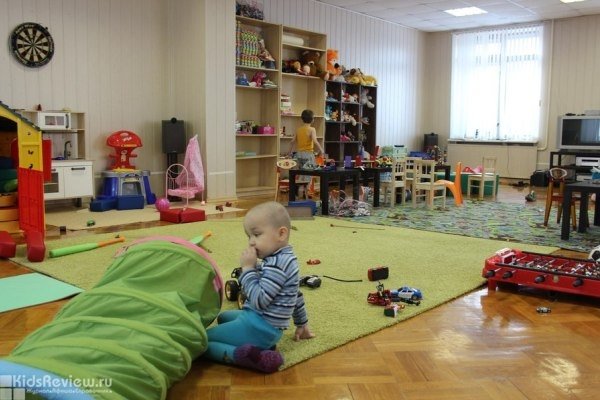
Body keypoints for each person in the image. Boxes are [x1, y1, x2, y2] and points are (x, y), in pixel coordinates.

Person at [204, 201, 315, 373]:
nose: (251, 242)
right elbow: (295, 295)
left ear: (281, 234)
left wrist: (248, 269)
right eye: (249, 236)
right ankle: (260, 345)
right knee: (223, 317)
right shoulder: (286, 258)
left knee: (201, 341)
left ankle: (248, 356)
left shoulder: (277, 265)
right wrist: (302, 323)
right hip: (265, 325)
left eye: (256, 235)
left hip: (258, 327)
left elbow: (259, 300)